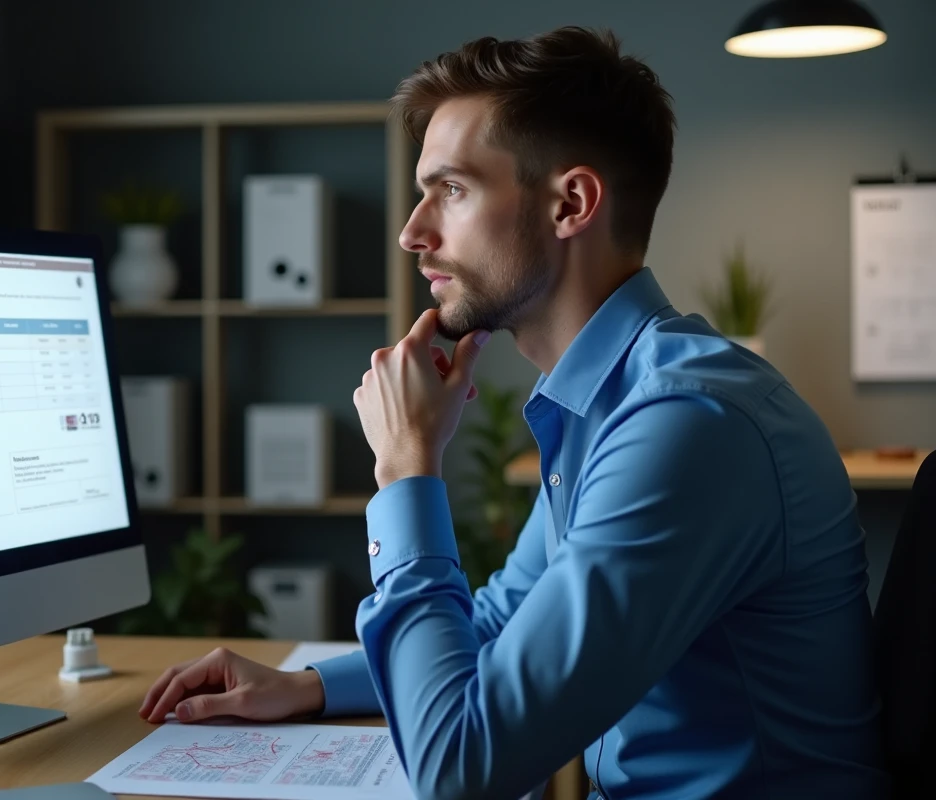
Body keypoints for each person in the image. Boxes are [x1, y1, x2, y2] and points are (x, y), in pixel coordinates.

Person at [140, 26, 888, 799]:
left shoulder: (685, 426)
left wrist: (406, 469)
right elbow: (502, 622)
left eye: (452, 190)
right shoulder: (611, 402)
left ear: (570, 203)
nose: (412, 232)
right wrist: (307, 688)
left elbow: (462, 768)